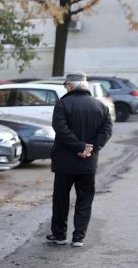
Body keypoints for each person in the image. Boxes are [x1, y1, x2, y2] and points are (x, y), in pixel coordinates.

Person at [45, 72, 112, 247]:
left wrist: (79, 147)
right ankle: (78, 237)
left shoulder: (62, 104)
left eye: (66, 85)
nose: (66, 88)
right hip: (87, 163)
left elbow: (61, 130)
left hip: (64, 164)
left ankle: (59, 235)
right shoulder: (100, 106)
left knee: (61, 199)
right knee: (85, 199)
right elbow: (106, 131)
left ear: (71, 86)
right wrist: (91, 149)